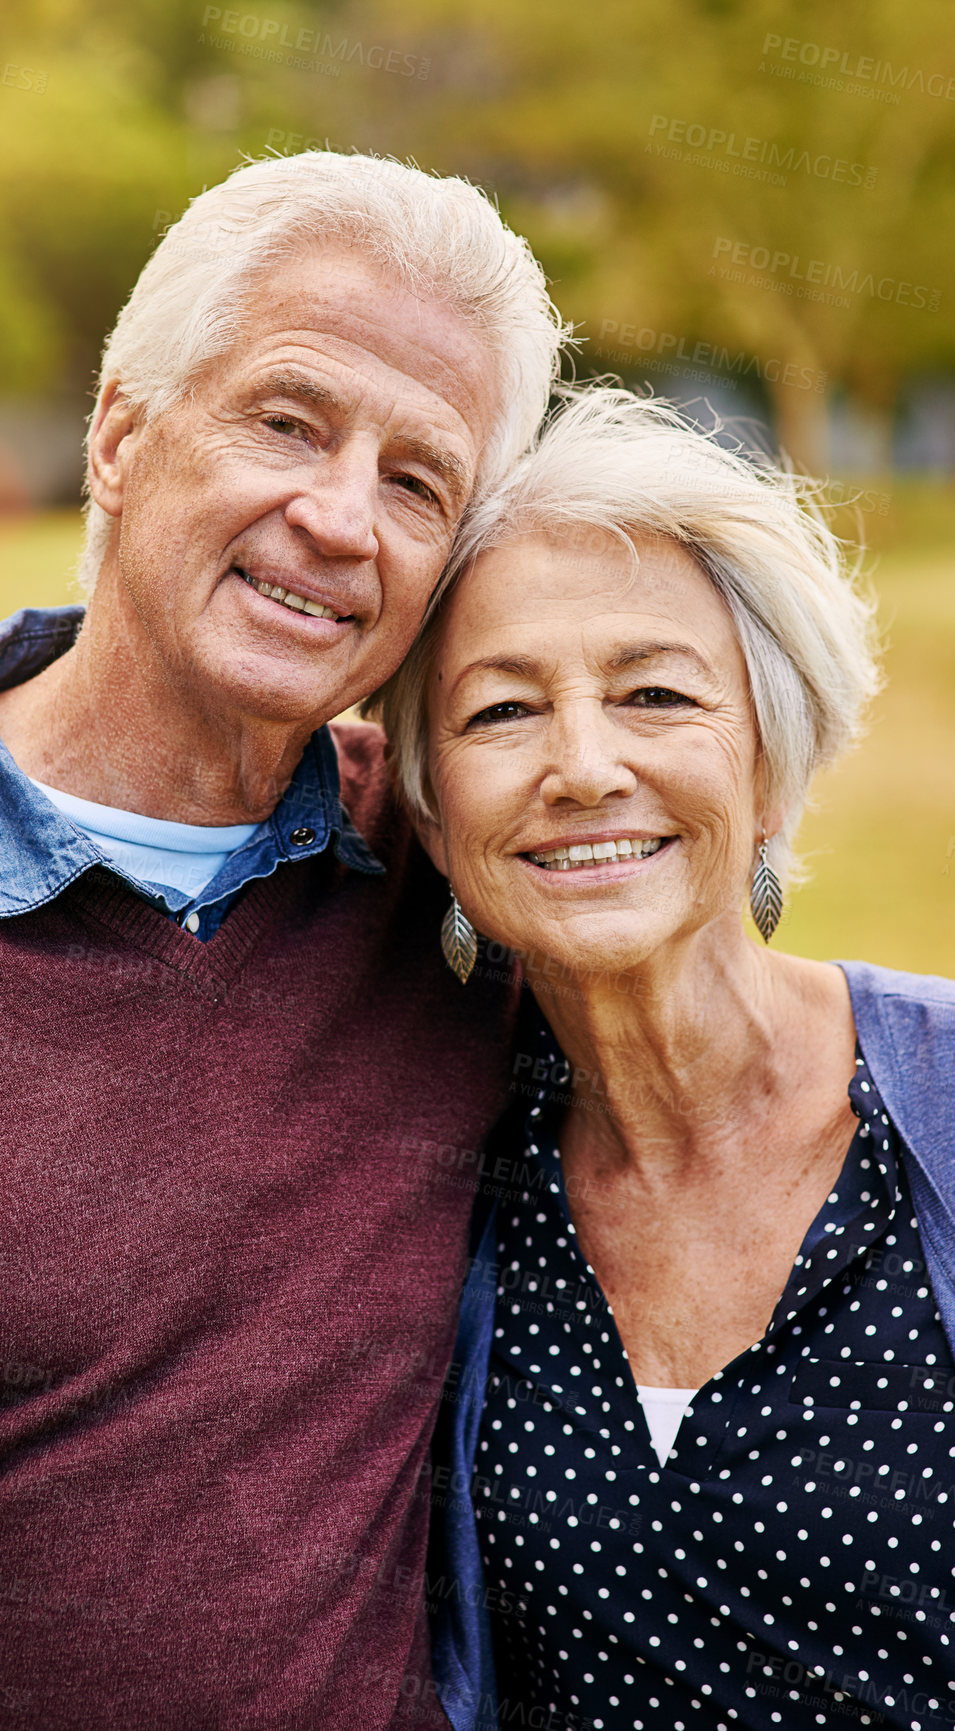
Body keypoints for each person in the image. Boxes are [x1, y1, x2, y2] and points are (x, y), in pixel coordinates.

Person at [0, 152, 565, 1731]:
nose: (339, 518)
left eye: (418, 482)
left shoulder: (468, 885)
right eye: (288, 421)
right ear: (122, 433)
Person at [373, 386, 955, 1731]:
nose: (583, 766)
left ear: (769, 765)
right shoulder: (453, 1190)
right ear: (433, 810)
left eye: (655, 694)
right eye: (503, 713)